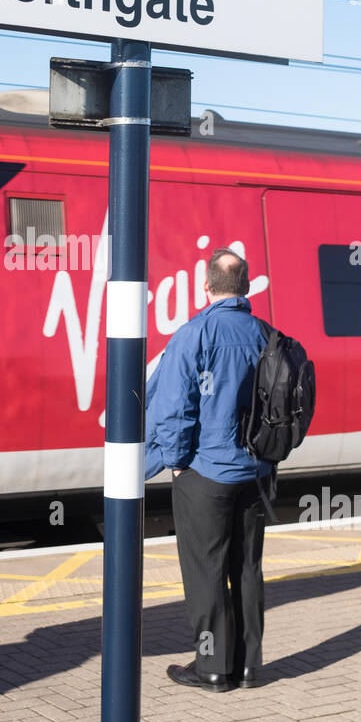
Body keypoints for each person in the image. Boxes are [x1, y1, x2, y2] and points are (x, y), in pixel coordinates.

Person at [145, 248, 273, 693]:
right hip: (255, 473)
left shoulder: (194, 334)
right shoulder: (266, 335)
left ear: (206, 286)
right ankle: (248, 667)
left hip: (206, 472)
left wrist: (177, 462)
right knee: (247, 568)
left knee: (205, 572)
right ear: (247, 285)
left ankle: (211, 668)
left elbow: (174, 408)